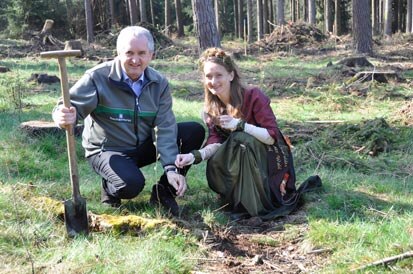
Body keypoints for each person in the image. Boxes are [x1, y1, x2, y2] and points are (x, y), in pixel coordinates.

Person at [52, 26, 205, 216]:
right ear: (118, 53)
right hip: (106, 151)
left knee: (193, 131)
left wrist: (171, 168)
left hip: (142, 147)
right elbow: (69, 107)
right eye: (129, 53)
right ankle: (110, 186)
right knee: (131, 185)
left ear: (151, 55)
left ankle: (164, 192)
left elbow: (165, 128)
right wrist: (63, 116)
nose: (135, 60)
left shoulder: (159, 83)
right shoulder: (98, 77)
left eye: (142, 53)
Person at [175, 48, 321, 220]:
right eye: (208, 76)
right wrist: (195, 156)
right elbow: (217, 141)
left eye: (218, 75)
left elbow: (271, 136)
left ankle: (257, 203)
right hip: (240, 156)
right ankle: (238, 198)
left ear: (231, 75)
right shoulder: (210, 107)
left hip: (270, 158)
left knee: (241, 139)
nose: (213, 81)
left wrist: (240, 125)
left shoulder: (253, 95)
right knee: (220, 156)